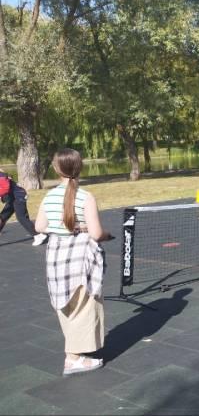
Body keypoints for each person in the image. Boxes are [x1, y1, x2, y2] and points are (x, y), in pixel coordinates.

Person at [34, 148, 110, 376]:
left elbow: (39, 226)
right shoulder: (86, 197)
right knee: (83, 307)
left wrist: (67, 226)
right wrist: (103, 233)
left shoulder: (49, 196)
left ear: (56, 169)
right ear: (80, 167)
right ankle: (73, 358)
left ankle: (75, 354)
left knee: (67, 307)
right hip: (80, 257)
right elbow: (96, 234)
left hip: (57, 258)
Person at [0, 168, 48, 246]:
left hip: (19, 196)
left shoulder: (1, 176)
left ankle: (38, 235)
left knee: (21, 217)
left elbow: (5, 188)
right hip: (13, 198)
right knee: (3, 217)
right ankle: (39, 235)